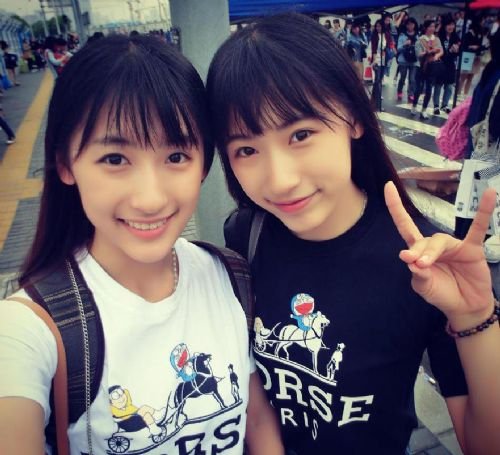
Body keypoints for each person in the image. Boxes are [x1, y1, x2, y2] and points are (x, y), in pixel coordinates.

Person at [207, 12, 500, 455]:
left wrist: (476, 314)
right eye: (247, 149)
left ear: (353, 118)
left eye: (301, 134)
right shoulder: (245, 235)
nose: (281, 180)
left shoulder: (421, 260)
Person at [0, 34, 283, 455]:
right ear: (65, 164)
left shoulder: (230, 275)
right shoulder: (27, 329)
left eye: (176, 157)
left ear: (204, 164)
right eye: (115, 159)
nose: (150, 199)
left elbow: (255, 420)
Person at [411, 20, 444, 119]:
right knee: (419, 88)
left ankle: (424, 110)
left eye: (433, 26)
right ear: (425, 28)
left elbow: (441, 50)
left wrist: (436, 55)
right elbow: (418, 55)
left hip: (432, 67)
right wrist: (428, 52)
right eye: (430, 26)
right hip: (421, 67)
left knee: (429, 89)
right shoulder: (420, 40)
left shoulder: (436, 39)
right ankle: (414, 105)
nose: (432, 28)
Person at [436, 18, 461, 114]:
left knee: (449, 86)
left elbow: (458, 53)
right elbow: (439, 52)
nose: (451, 27)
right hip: (440, 64)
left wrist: (457, 50)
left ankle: (445, 105)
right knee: (438, 85)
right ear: (444, 26)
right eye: (448, 25)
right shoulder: (439, 37)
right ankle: (436, 105)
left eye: (452, 25)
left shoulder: (456, 38)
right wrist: (450, 51)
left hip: (451, 65)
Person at [370, 19, 394, 111]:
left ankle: (372, 102)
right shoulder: (374, 36)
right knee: (378, 82)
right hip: (377, 60)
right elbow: (373, 49)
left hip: (384, 60)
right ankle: (378, 105)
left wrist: (388, 50)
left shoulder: (386, 35)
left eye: (379, 26)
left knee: (378, 81)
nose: (378, 28)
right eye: (376, 26)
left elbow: (390, 46)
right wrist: (374, 61)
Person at [396, 17, 419, 102]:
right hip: (403, 60)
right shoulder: (402, 35)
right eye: (408, 24)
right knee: (402, 77)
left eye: (412, 24)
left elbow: (420, 47)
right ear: (406, 25)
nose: (410, 26)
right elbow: (398, 48)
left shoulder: (418, 35)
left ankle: (411, 93)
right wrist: (405, 45)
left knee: (412, 79)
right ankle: (399, 90)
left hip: (414, 60)